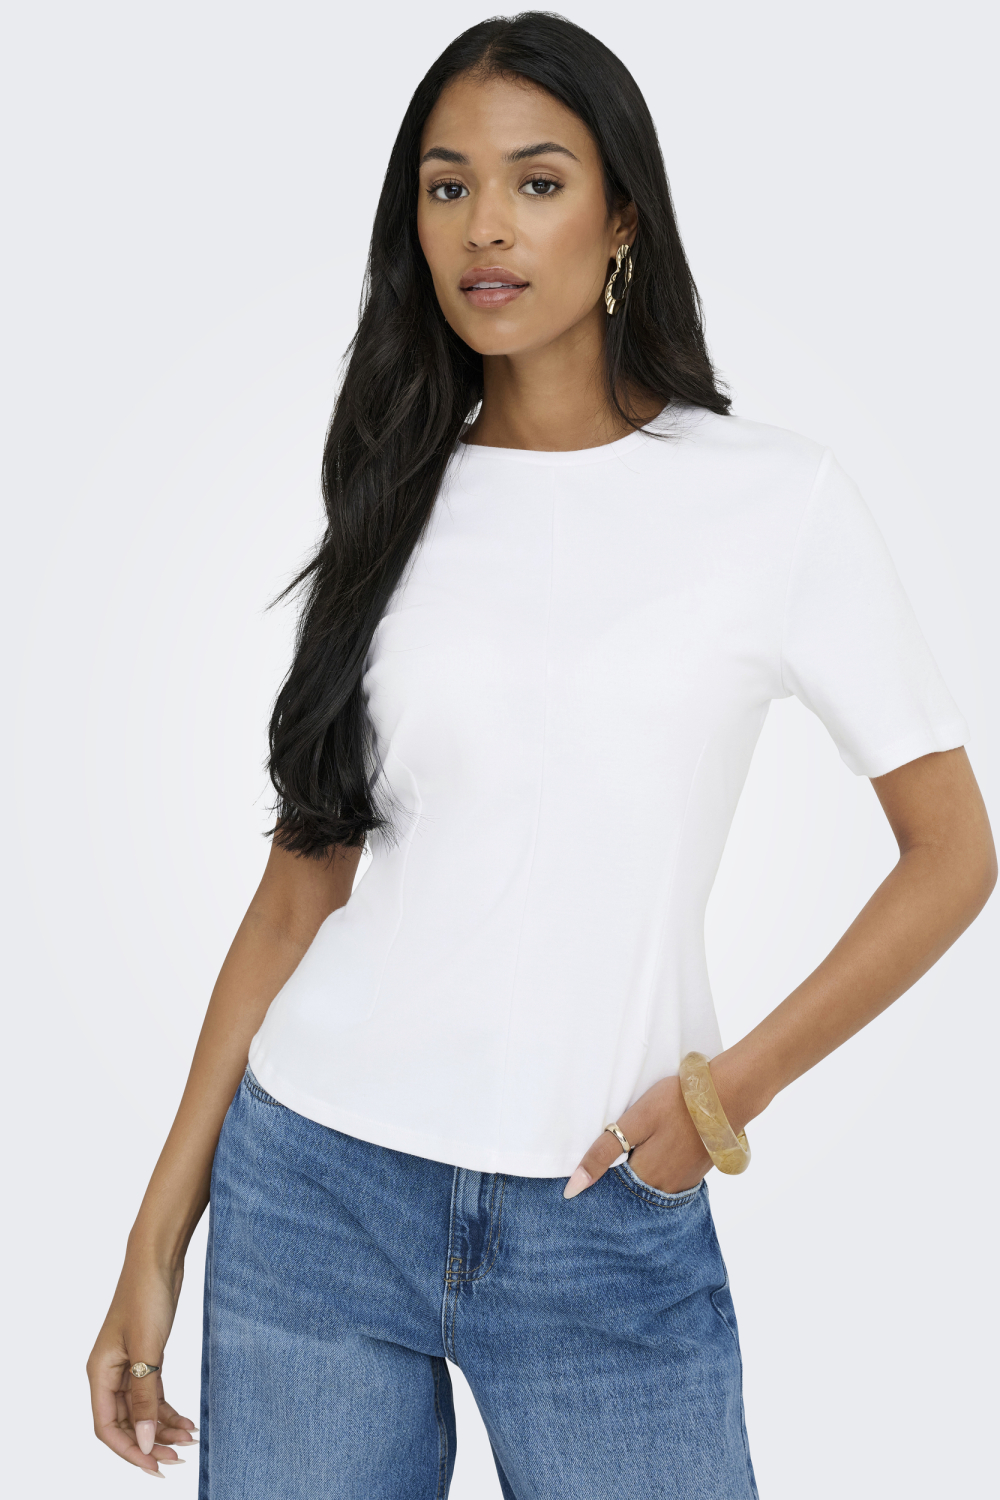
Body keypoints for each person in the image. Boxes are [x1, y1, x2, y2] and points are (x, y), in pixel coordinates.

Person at [87, 13, 995, 1498]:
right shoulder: (393, 497)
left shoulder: (773, 502)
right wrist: (153, 1240)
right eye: (447, 187)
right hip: (313, 1189)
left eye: (538, 181)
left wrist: (723, 1100)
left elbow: (953, 854)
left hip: (604, 1215)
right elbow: (302, 886)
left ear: (622, 214)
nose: (486, 227)